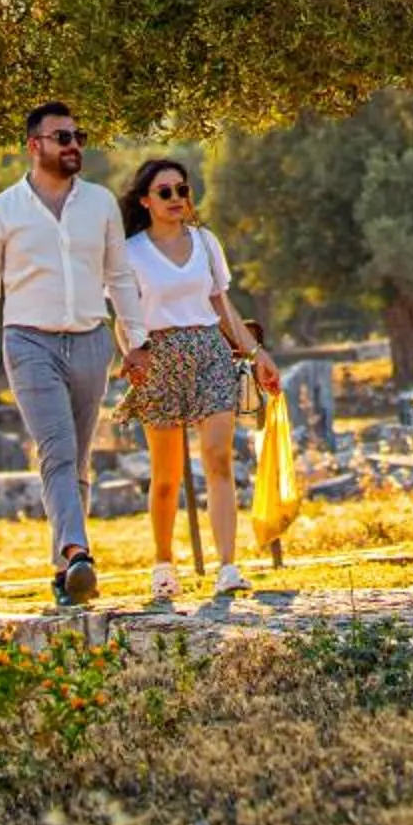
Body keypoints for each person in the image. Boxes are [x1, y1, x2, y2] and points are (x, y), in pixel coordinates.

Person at [0, 101, 153, 606]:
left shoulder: (100, 204)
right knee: (58, 451)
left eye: (78, 137)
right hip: (29, 342)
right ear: (35, 145)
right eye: (62, 137)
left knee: (77, 460)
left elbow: (120, 276)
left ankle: (66, 570)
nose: (73, 146)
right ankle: (77, 550)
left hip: (91, 340)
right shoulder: (0, 212)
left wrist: (137, 341)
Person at [117, 154, 280, 601]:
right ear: (146, 200)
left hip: (209, 350)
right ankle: (163, 563)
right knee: (167, 473)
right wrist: (132, 353)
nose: (176, 198)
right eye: (165, 192)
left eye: (182, 190)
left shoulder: (206, 243)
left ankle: (228, 565)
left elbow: (222, 307)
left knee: (218, 457)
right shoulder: (130, 253)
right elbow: (124, 316)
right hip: (158, 356)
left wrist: (257, 353)